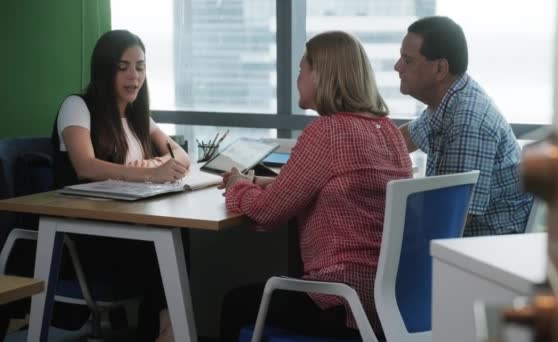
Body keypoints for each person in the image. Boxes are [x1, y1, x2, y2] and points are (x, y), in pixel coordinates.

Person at [217, 31, 413, 341]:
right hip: (387, 301)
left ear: (320, 75)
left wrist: (239, 185)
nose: (297, 79)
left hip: (340, 300)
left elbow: (267, 213)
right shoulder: (386, 130)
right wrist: (267, 183)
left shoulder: (328, 131)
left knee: (234, 303)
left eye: (301, 69)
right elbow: (344, 186)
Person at [51, 29, 189, 341]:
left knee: (178, 233)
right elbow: (84, 166)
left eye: (140, 66)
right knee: (164, 240)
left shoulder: (139, 116)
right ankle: (165, 328)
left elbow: (180, 155)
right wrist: (150, 173)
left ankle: (165, 326)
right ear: (104, 69)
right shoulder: (78, 106)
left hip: (128, 227)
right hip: (90, 236)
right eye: (123, 66)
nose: (134, 76)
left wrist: (156, 163)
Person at [394, 16, 533, 236]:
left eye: (407, 60)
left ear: (440, 69)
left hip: (480, 255)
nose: (397, 67)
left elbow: (449, 222)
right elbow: (403, 139)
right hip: (463, 246)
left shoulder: (467, 120)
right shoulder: (449, 99)